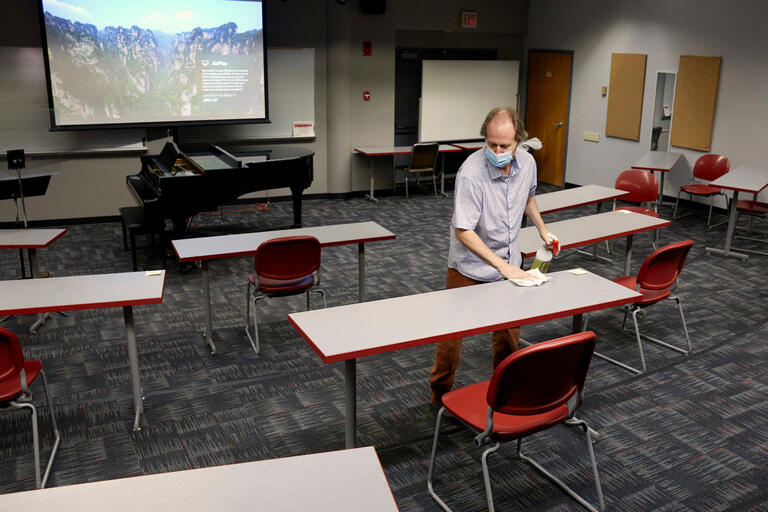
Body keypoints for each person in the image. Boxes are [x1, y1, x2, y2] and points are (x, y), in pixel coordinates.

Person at [429, 107, 556, 405]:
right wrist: (503, 267)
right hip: (469, 266)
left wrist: (543, 230)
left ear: (518, 141)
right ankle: (439, 394)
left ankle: (506, 387)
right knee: (451, 337)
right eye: (492, 144)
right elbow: (464, 231)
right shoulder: (471, 174)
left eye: (504, 146)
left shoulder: (527, 162)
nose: (497, 151)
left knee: (509, 334)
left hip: (509, 260)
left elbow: (529, 197)